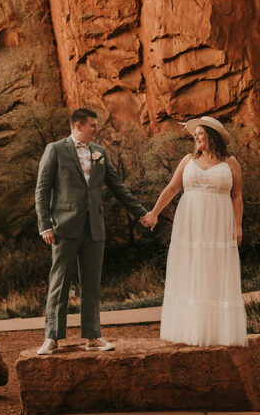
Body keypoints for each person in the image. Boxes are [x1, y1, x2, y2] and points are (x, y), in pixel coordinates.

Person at [35, 107, 147, 355]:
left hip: (94, 227)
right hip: (63, 227)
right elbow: (42, 191)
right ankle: (52, 338)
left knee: (92, 284)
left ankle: (93, 337)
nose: (97, 129)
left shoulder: (100, 152)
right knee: (59, 283)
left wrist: (141, 213)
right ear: (78, 126)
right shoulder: (54, 149)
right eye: (93, 125)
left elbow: (118, 187)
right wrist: (45, 226)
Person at [141, 116, 247, 346]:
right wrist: (154, 212)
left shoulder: (230, 162)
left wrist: (238, 226)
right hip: (190, 222)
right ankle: (191, 329)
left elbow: (237, 196)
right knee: (192, 268)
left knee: (214, 269)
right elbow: (171, 188)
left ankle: (217, 331)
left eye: (200, 133)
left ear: (212, 135)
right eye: (195, 134)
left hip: (220, 222)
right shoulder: (188, 160)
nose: (196, 137)